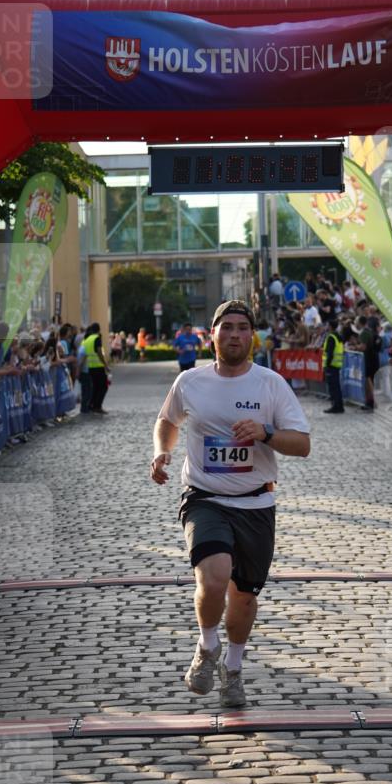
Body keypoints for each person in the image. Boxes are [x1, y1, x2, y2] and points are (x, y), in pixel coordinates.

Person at [150, 299, 310, 708]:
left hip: (256, 503)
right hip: (204, 497)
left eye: (242, 328)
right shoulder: (190, 381)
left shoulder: (271, 384)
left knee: (243, 598)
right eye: (227, 327)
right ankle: (207, 645)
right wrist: (162, 451)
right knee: (214, 577)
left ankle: (233, 669)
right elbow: (167, 420)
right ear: (213, 334)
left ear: (251, 336)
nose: (234, 335)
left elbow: (302, 444)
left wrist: (265, 433)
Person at [82, 322, 111, 414]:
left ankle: (92, 405)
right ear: (99, 329)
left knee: (95, 387)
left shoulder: (86, 339)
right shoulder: (97, 338)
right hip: (98, 366)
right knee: (103, 387)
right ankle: (97, 406)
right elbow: (99, 352)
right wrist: (105, 365)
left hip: (90, 367)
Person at [322, 318, 344, 414]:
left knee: (333, 388)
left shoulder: (331, 337)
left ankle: (335, 406)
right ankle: (339, 406)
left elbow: (329, 353)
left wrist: (327, 365)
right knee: (336, 387)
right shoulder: (338, 336)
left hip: (331, 365)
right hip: (336, 364)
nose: (326, 327)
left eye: (327, 325)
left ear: (330, 326)